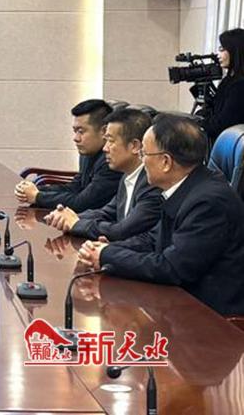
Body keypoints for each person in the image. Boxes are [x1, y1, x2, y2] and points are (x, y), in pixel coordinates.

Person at [78, 115, 244, 316]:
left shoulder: (209, 202)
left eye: (144, 154)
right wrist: (108, 249)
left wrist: (107, 255)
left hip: (211, 319)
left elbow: (172, 268)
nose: (141, 161)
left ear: (165, 162)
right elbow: (152, 239)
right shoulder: (187, 187)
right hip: (181, 303)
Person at [43, 108, 162, 241]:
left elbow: (122, 231)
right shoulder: (127, 176)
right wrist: (68, 217)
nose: (105, 148)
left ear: (135, 146)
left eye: (110, 141)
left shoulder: (152, 184)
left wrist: (76, 224)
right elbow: (107, 213)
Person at [15, 99, 122, 211]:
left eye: (81, 131)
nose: (76, 138)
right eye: (75, 131)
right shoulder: (88, 152)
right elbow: (75, 187)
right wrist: (35, 190)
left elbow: (82, 203)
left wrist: (38, 197)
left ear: (104, 131)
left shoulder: (112, 161)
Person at [201, 28, 244, 142]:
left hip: (226, 145)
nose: (218, 55)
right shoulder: (227, 81)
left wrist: (199, 124)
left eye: (222, 49)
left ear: (235, 51)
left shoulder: (239, 86)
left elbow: (223, 123)